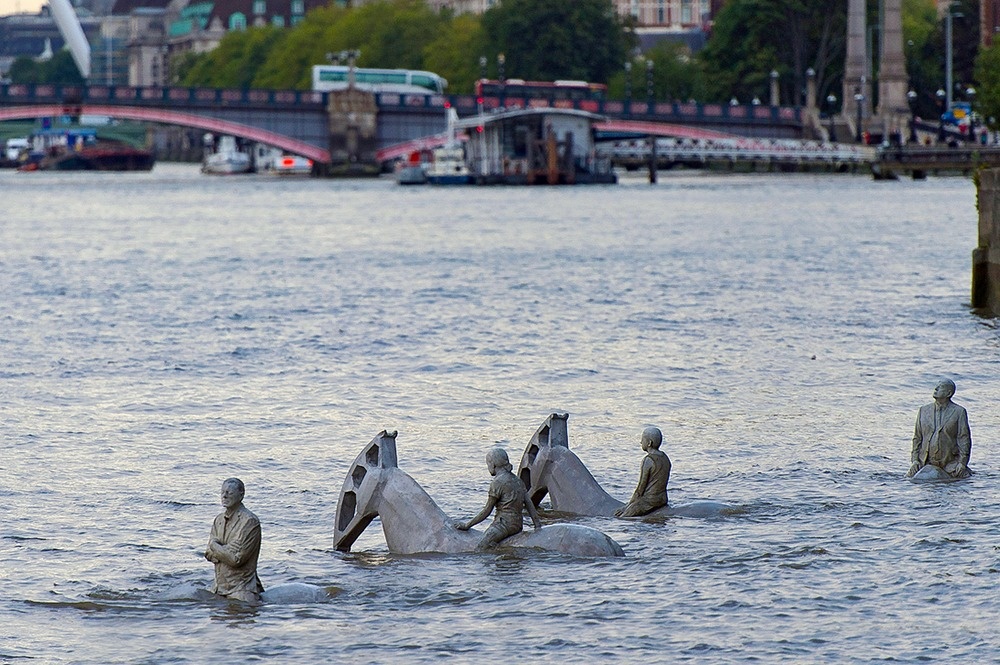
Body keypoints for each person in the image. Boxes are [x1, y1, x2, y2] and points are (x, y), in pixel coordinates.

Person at [456, 447, 542, 549]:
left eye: (488, 464)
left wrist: (467, 525)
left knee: (480, 547)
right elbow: (529, 505)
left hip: (503, 525)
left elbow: (487, 511)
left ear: (493, 464)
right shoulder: (518, 481)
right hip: (517, 525)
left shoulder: (497, 483)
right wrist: (537, 526)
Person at [205, 477, 264, 603]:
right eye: (222, 492)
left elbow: (236, 560)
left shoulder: (249, 521)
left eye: (229, 493)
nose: (224, 496)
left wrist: (216, 547)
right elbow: (208, 554)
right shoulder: (218, 520)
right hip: (218, 587)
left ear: (241, 495)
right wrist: (225, 550)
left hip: (241, 588)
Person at [907, 379, 973, 479]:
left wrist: (962, 463)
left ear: (949, 393)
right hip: (924, 463)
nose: (936, 388)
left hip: (950, 464)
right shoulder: (923, 410)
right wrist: (915, 460)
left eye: (940, 387)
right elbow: (917, 438)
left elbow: (964, 439)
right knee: (908, 480)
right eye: (936, 386)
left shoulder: (959, 412)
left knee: (963, 480)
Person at [614, 426, 671, 517]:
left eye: (642, 439)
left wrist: (627, 507)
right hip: (662, 499)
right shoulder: (665, 457)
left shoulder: (648, 460)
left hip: (650, 501)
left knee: (622, 518)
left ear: (649, 443)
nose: (641, 442)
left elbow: (640, 488)